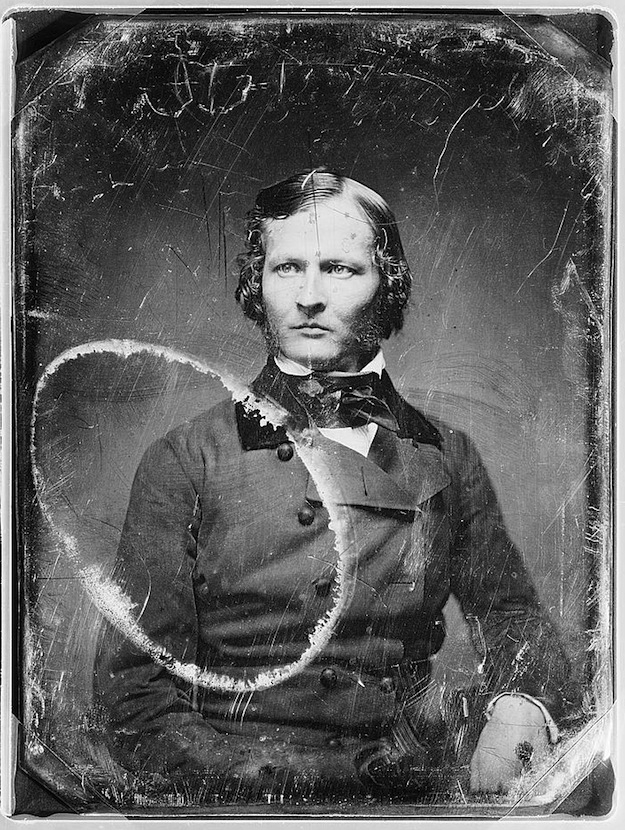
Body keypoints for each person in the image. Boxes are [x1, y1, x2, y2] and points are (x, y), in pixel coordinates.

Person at [94, 170, 573, 803]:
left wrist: (519, 706)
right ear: (256, 283)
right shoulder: (186, 458)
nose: (309, 296)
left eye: (341, 269)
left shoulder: (446, 456)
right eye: (287, 267)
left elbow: (513, 616)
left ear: (386, 286)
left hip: (405, 791)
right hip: (233, 801)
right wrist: (264, 786)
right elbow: (132, 694)